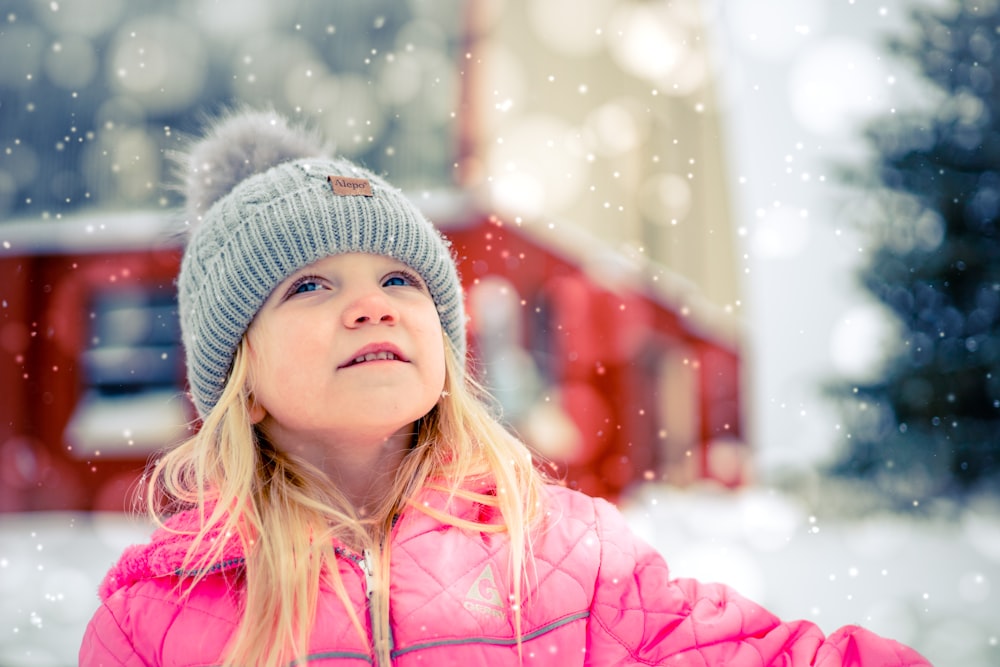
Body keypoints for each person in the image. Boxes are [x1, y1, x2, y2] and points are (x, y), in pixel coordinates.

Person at [79, 108, 932, 667]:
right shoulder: (159, 611)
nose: (372, 306)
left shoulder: (567, 556)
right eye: (309, 285)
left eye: (402, 281)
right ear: (242, 380)